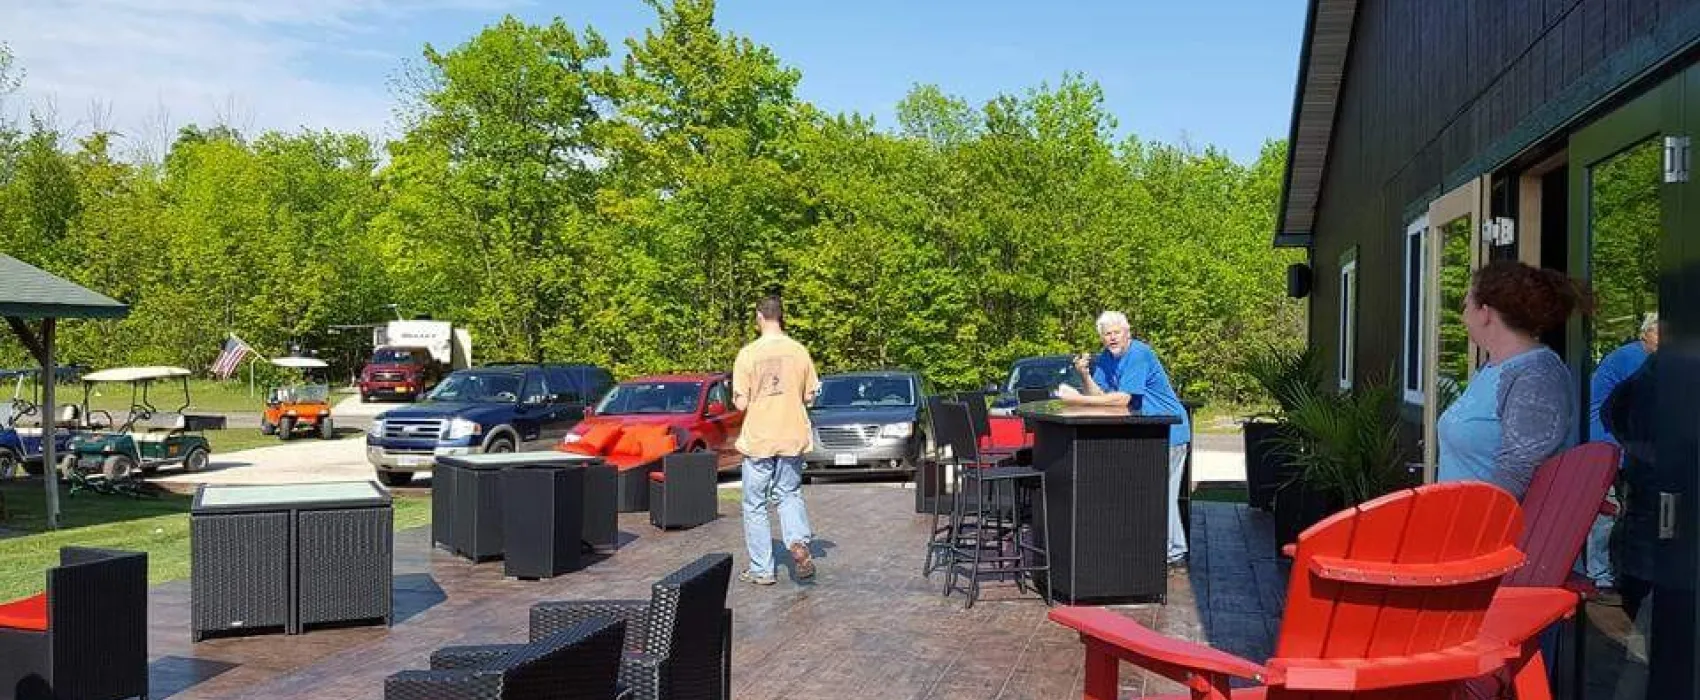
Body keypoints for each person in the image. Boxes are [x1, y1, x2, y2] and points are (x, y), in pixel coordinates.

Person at [1436, 260, 1589, 500]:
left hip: (1490, 523)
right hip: (1458, 519)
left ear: (1485, 313)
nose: (1463, 317)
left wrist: (1472, 520)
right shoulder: (1491, 369)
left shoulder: (1537, 376)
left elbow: (1516, 475)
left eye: (1465, 306)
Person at [1057, 310, 1192, 566]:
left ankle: (1171, 553)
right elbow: (1100, 396)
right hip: (1143, 433)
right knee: (1149, 493)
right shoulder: (1107, 358)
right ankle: (1164, 550)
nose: (1112, 338)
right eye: (1107, 334)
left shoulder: (1139, 354)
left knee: (1161, 493)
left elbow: (1122, 399)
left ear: (1127, 332)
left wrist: (1077, 399)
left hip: (1168, 431)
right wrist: (1085, 375)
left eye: (1116, 332)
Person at [732, 295, 820, 586]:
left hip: (760, 437)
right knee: (789, 494)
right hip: (791, 434)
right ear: (780, 316)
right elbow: (810, 396)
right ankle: (797, 542)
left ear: (759, 317)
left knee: (755, 504)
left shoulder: (748, 354)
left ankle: (762, 569)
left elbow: (741, 404)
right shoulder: (799, 351)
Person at [1580, 312, 1659, 601]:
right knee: (1609, 510)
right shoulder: (1636, 360)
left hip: (1609, 442)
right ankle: (1601, 576)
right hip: (1608, 444)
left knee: (1616, 509)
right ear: (1645, 334)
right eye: (1660, 333)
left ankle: (1608, 573)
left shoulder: (1632, 356)